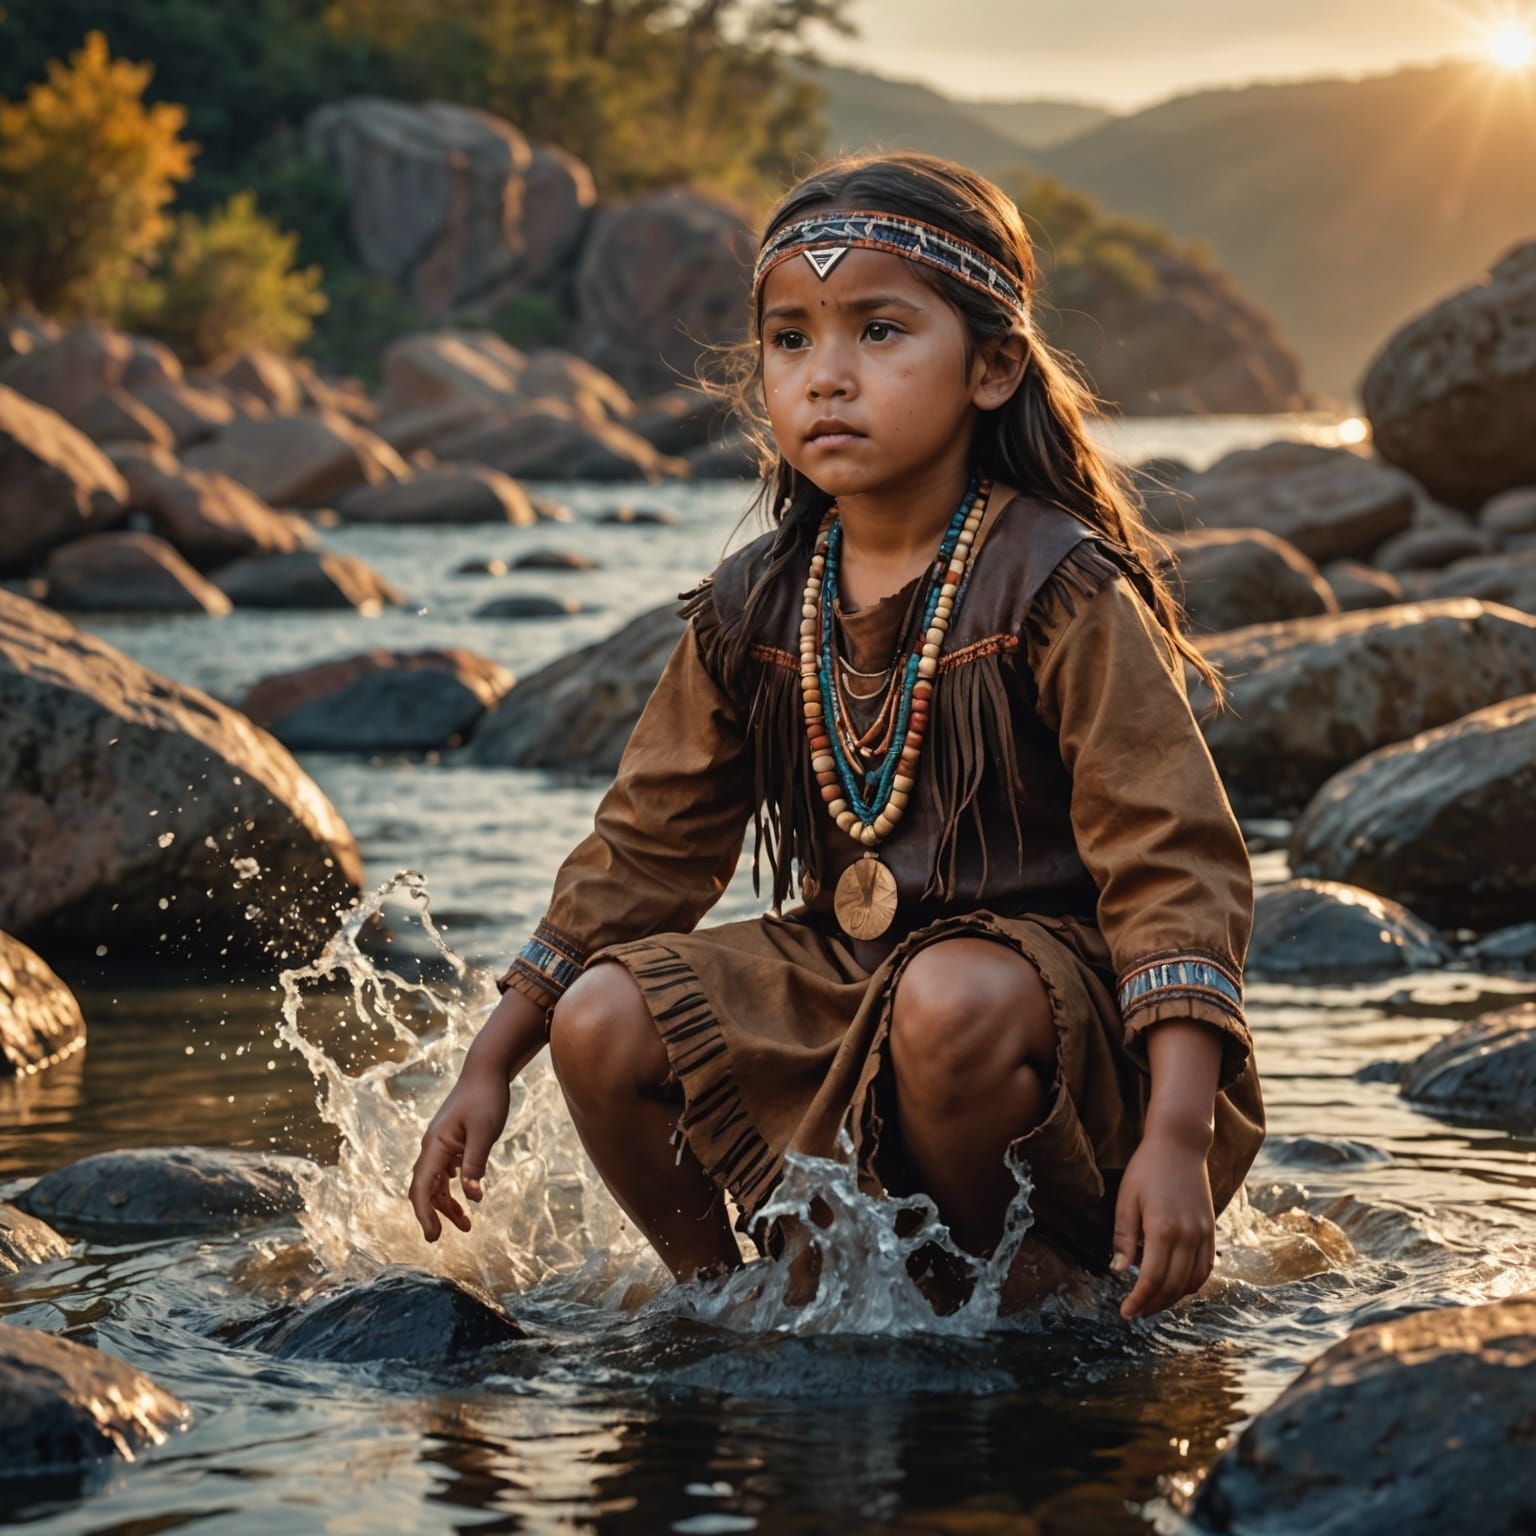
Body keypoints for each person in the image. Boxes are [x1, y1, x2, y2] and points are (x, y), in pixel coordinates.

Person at [408, 150, 1264, 1322]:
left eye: (879, 331)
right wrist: (490, 1061)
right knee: (603, 1016)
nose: (828, 378)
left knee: (949, 1000)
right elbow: (644, 849)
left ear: (995, 366)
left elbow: (1172, 852)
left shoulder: (1052, 582)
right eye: (792, 339)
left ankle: (1022, 1299)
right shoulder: (755, 606)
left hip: (1050, 1022)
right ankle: (740, 1311)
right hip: (848, 974)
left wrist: (1175, 1131)